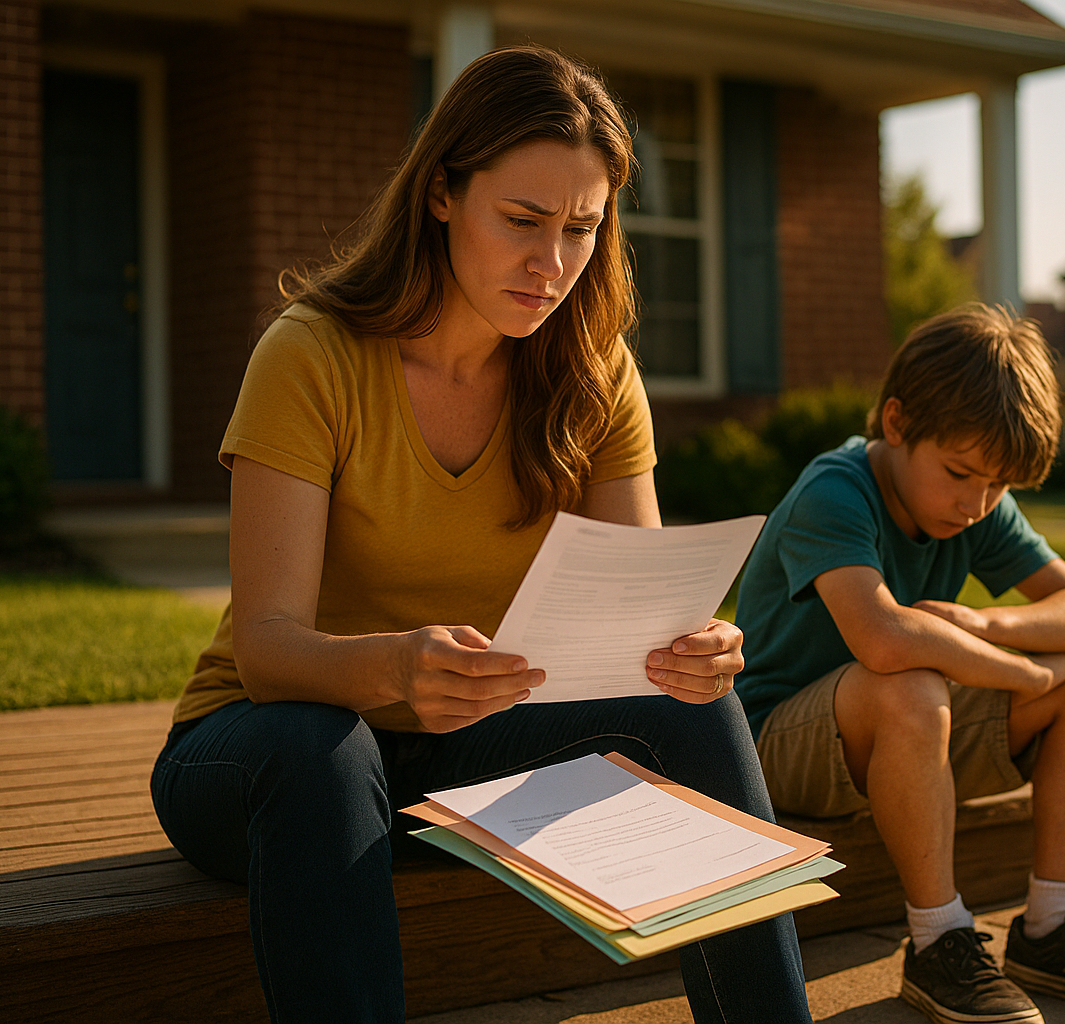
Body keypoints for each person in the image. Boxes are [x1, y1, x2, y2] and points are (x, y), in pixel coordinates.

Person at [150, 45, 813, 1024]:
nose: (552, 262)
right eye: (524, 220)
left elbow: (635, 621)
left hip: (461, 757)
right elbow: (267, 651)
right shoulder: (312, 355)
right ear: (443, 194)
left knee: (696, 710)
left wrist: (689, 650)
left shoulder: (593, 375)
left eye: (582, 229)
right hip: (264, 762)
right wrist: (395, 665)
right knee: (325, 746)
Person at [732, 303, 1065, 1024]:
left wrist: (986, 622)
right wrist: (1021, 671)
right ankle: (940, 939)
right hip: (772, 749)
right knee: (909, 682)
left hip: (905, 736)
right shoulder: (834, 490)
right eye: (961, 473)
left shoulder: (971, 500)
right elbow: (883, 639)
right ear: (896, 424)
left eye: (999, 486)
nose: (977, 504)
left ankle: (1054, 925)